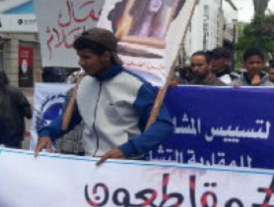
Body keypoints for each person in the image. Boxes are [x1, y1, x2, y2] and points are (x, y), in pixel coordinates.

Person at [35, 28, 174, 165]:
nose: (80, 63)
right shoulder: (82, 84)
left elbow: (163, 125)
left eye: (86, 57)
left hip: (127, 165)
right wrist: (48, 133)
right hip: (91, 164)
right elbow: (69, 118)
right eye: (79, 56)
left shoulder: (136, 86)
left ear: (106, 56)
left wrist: (127, 150)